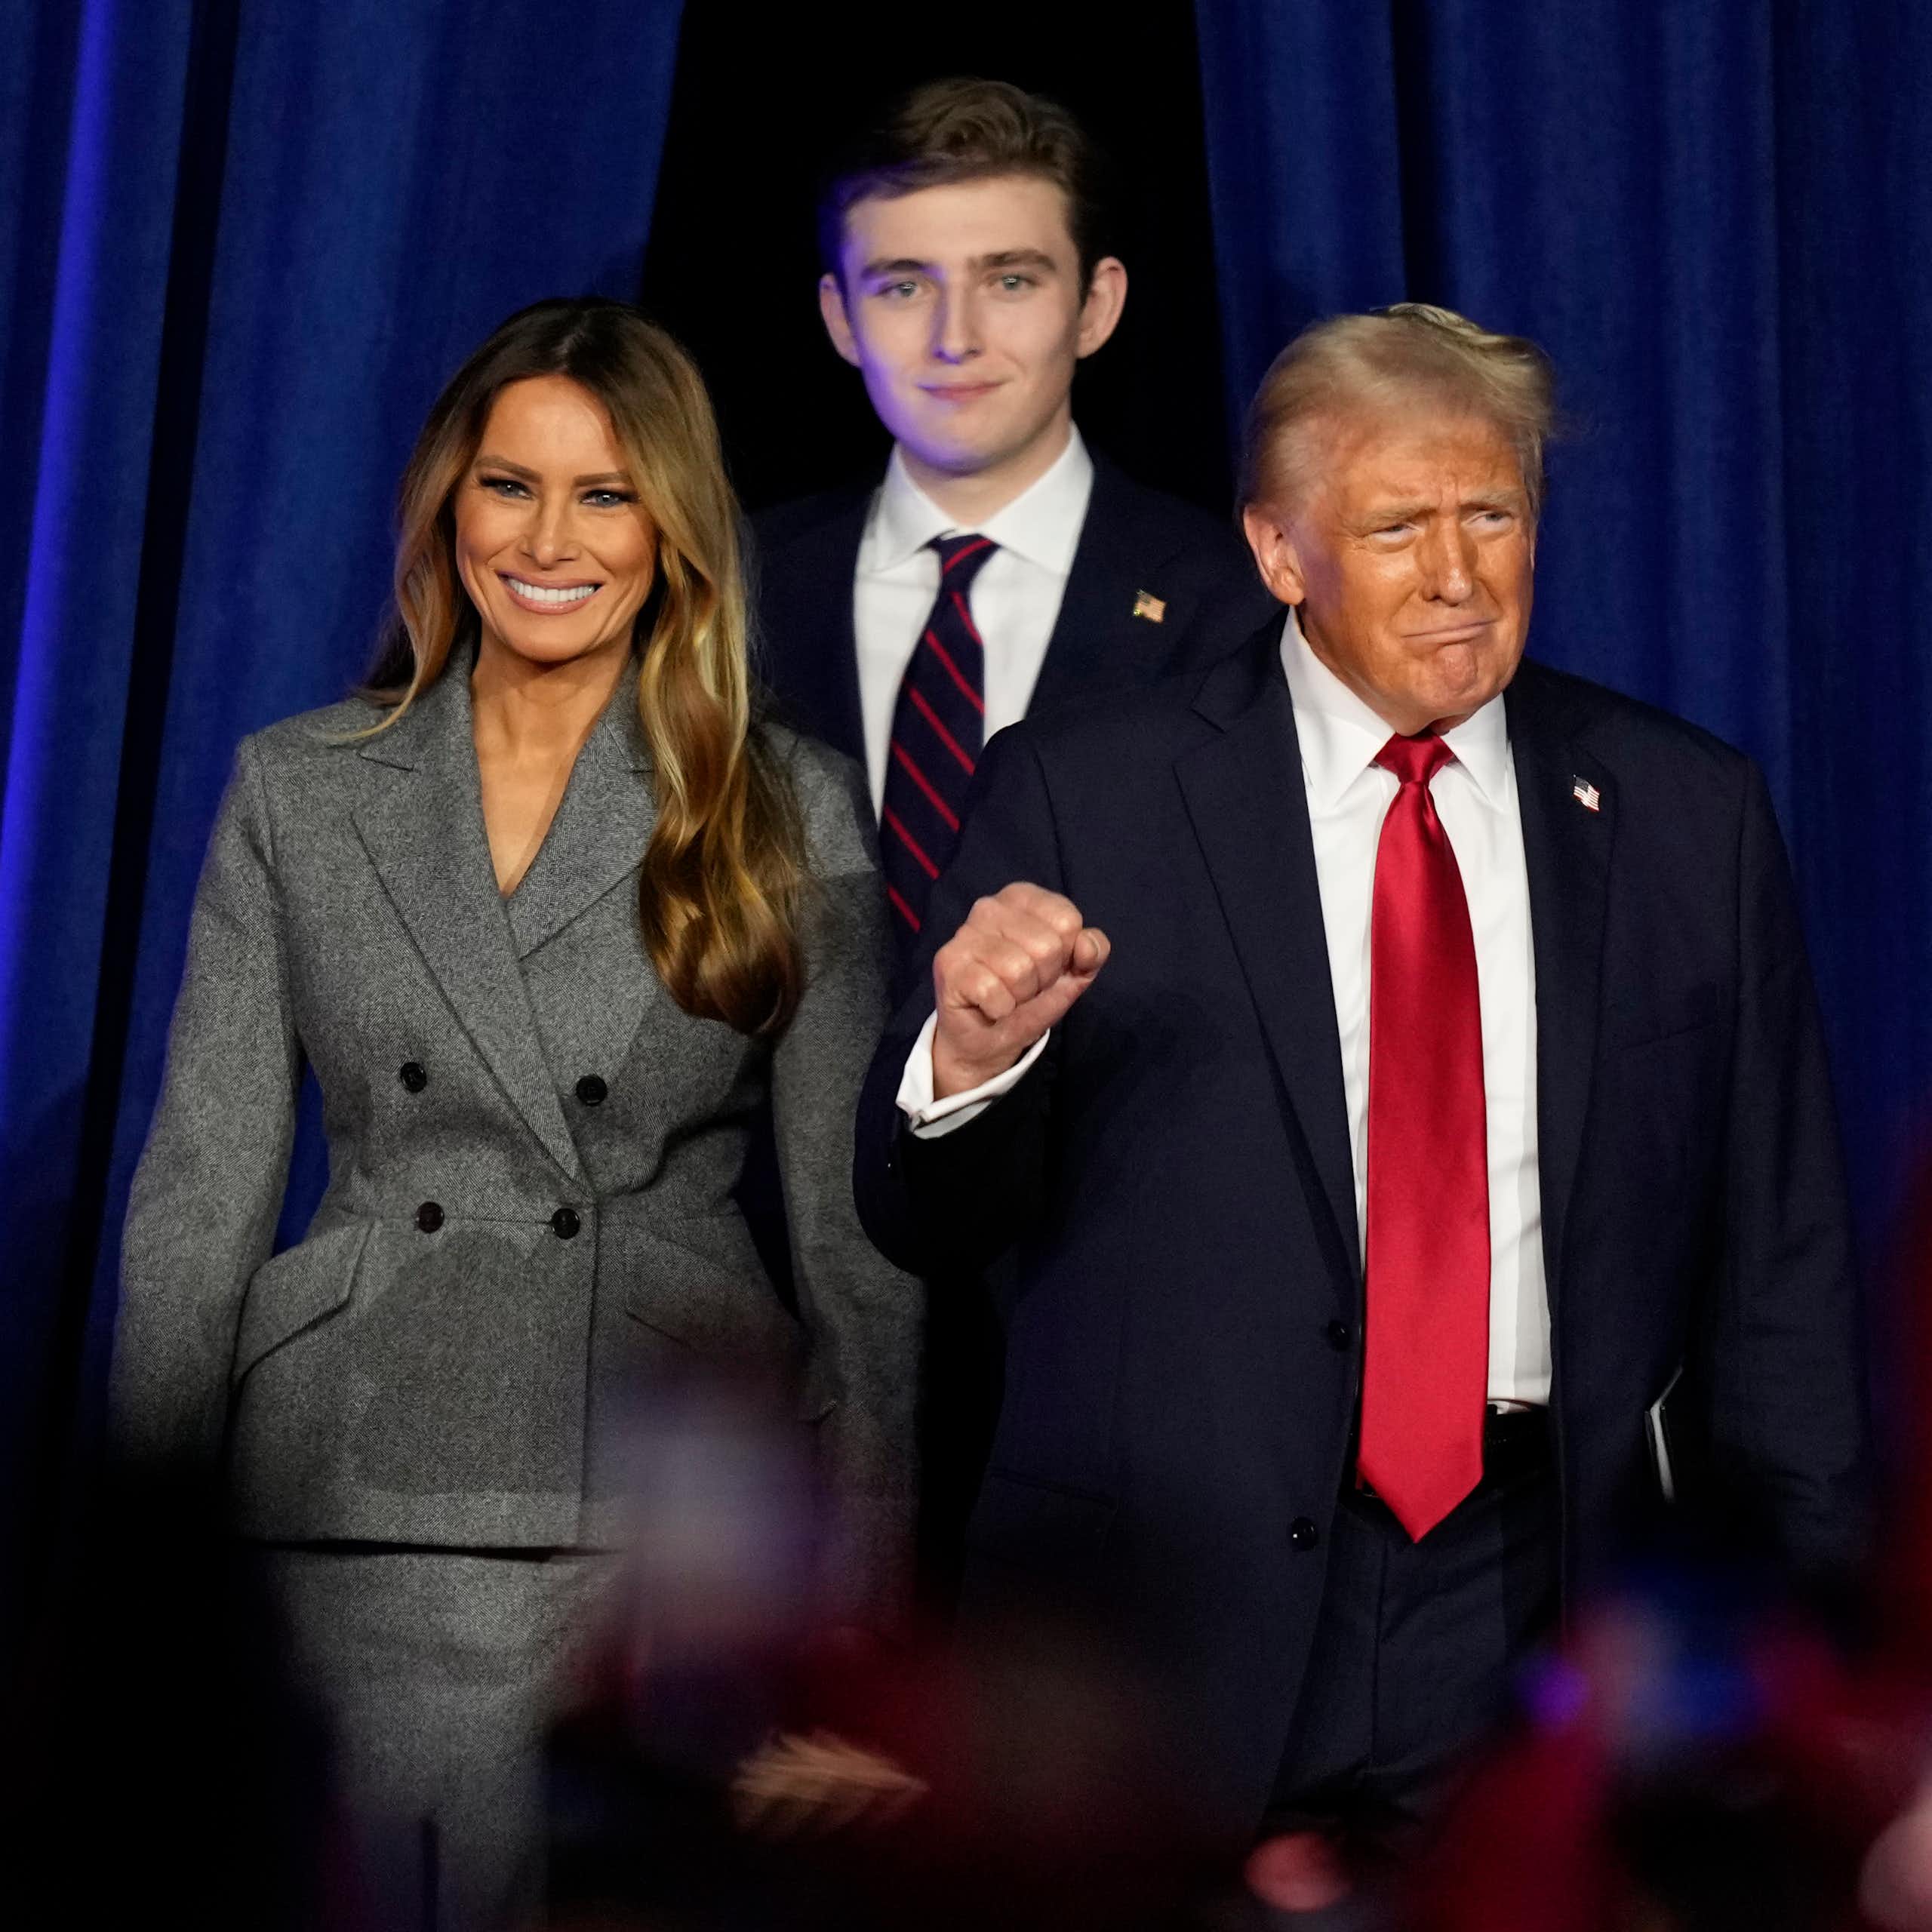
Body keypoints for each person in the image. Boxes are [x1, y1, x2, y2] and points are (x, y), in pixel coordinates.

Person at [852, 303, 1870, 1850]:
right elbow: (924, 1215)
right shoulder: (1086, 789)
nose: (1459, 574)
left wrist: (1808, 1657)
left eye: (1492, 515)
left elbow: (1779, 1276)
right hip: (1168, 1609)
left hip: (1543, 1589)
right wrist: (970, 1060)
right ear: (1278, 551)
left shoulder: (1683, 813)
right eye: (1397, 525)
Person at [110, 297, 919, 1930]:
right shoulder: (302, 783)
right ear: (445, 505)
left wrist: (857, 1640)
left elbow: (858, 1259)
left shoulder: (787, 801)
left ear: (673, 528)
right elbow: (197, 1203)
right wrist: (137, 1596)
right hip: (342, 1492)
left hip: (658, 1516)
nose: (549, 539)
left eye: (605, 493)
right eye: (508, 485)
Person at [753, 75, 1275, 966]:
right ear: (841, 317)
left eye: (1009, 279)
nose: (957, 336)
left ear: (1095, 307)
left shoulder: (1231, 602)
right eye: (905, 287)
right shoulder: (736, 583)